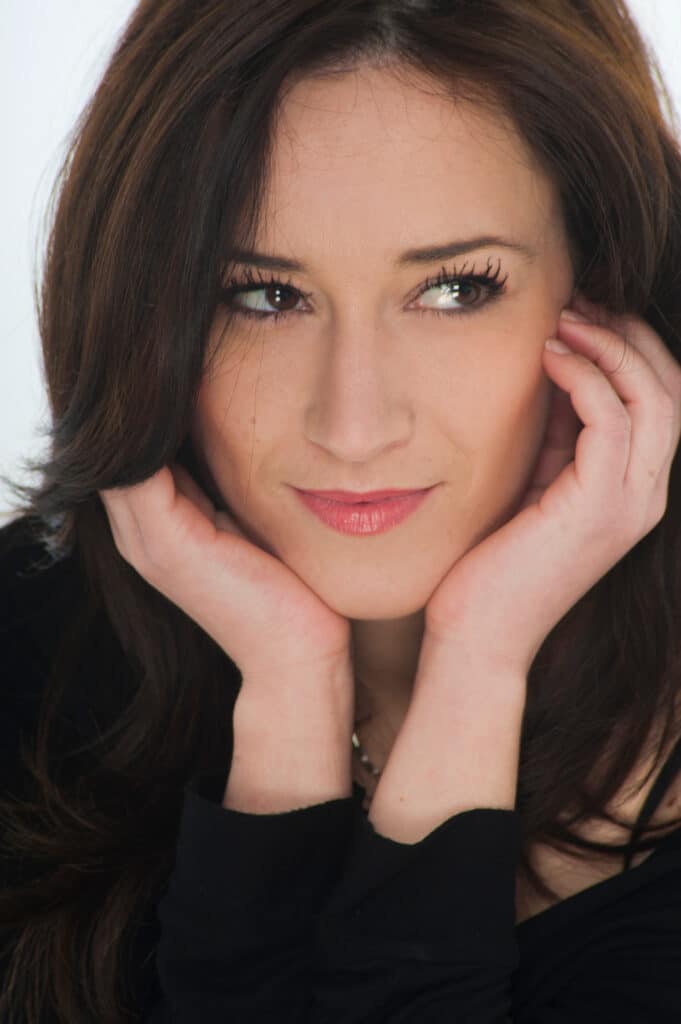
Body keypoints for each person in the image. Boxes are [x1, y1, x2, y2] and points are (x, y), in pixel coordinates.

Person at [2, 0, 681, 1019]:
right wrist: (288, 693)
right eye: (266, 296)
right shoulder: (26, 651)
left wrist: (477, 665)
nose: (353, 427)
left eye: (455, 289)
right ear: (147, 317)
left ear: (603, 287)